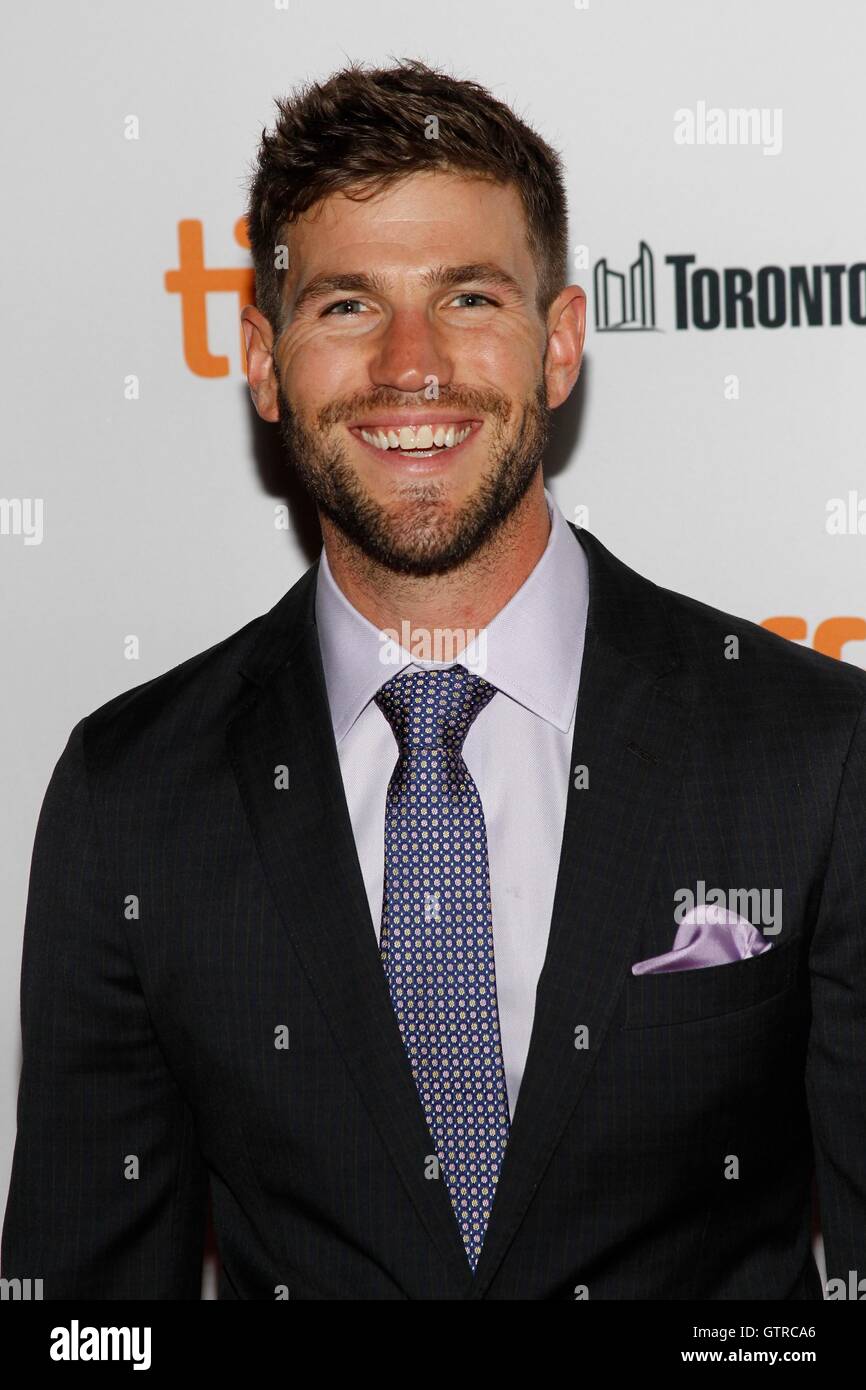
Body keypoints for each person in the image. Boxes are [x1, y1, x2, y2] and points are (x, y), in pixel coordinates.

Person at [3, 58, 865, 1300]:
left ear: (557, 344)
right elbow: (84, 1328)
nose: (413, 366)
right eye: (346, 305)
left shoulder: (812, 751)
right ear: (260, 356)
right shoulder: (129, 796)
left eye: (467, 296)